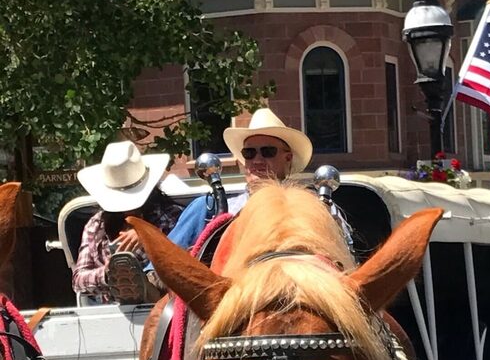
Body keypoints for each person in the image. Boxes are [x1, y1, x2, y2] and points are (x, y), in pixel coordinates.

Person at [164, 107, 313, 251]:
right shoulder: (208, 208)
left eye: (268, 151)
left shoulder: (313, 209)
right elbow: (166, 259)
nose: (257, 160)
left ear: (288, 158)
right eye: (249, 153)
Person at [73, 142, 182, 303]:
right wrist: (109, 272)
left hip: (165, 306)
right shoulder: (96, 225)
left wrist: (149, 237)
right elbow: (78, 280)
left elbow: (184, 258)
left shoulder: (171, 215)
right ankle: (132, 285)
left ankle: (148, 284)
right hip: (114, 310)